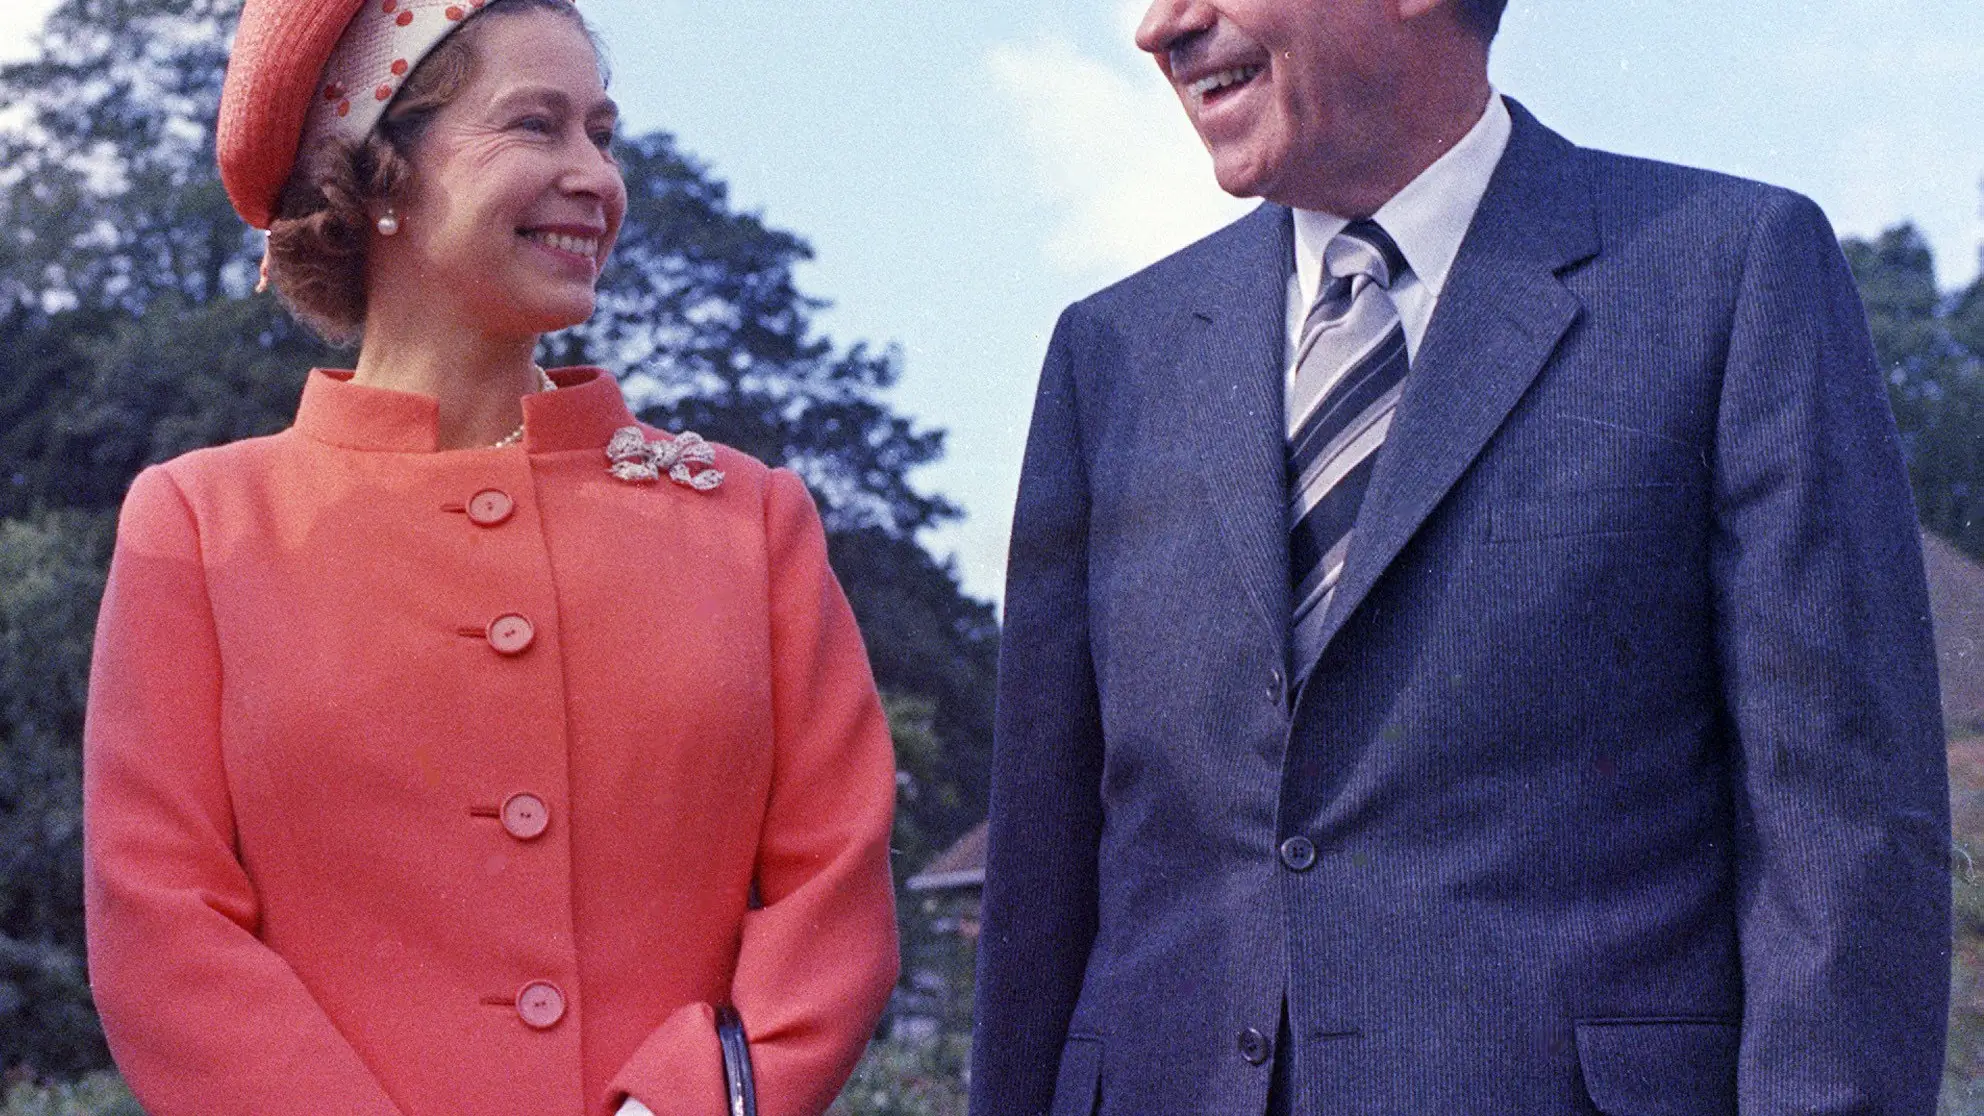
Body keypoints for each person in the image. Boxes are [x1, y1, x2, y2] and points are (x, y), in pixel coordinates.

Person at [972, 0, 1952, 1113]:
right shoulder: (1109, 354)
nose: (1161, 26)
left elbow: (1842, 835)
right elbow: (1041, 876)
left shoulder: (1727, 274)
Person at [82, 1, 898, 1114]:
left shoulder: (751, 520)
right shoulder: (198, 524)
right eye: (535, 126)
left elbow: (832, 893)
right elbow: (159, 924)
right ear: (378, 172)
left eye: (602, 136)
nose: (596, 178)